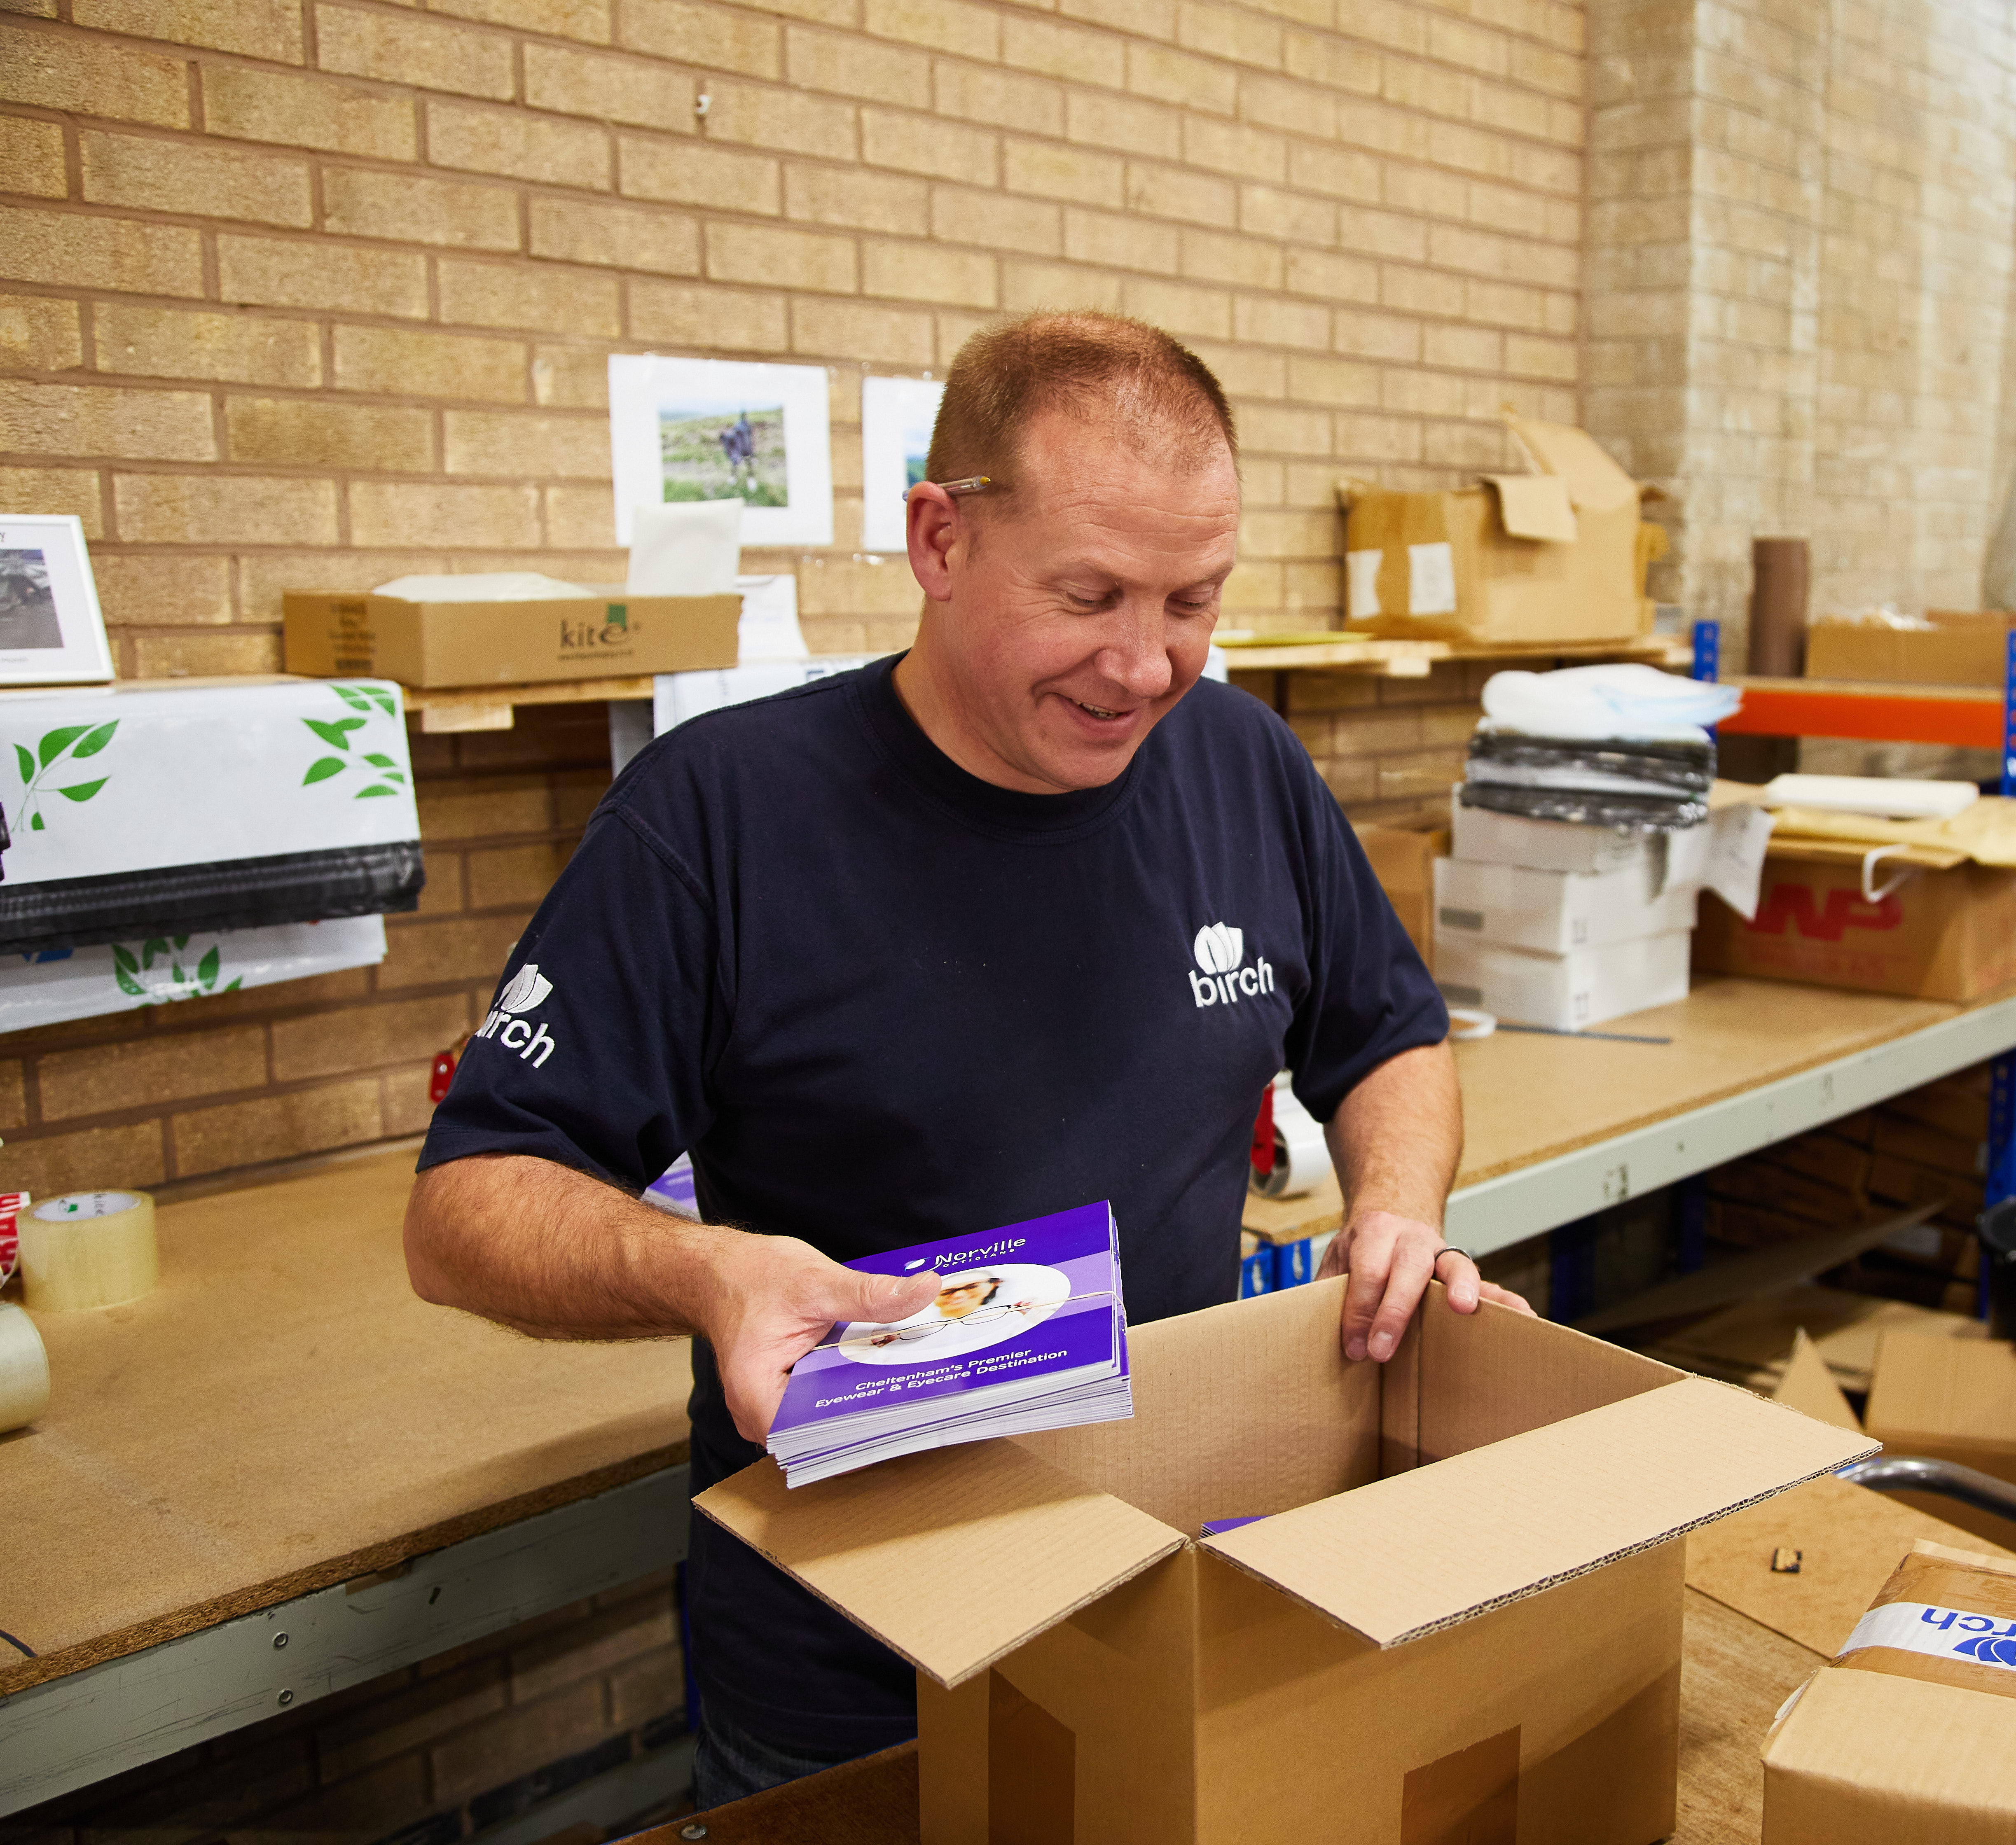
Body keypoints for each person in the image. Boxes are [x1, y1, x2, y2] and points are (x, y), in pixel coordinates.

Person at [402, 311, 1527, 1808]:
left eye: (1194, 599)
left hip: (1163, 1585)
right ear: (940, 541)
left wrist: (1395, 1205)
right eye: (1091, 596)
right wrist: (707, 1272)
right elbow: (468, 1200)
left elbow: (1389, 1037)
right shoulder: (719, 821)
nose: (1146, 665)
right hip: (853, 1658)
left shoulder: (1243, 763)